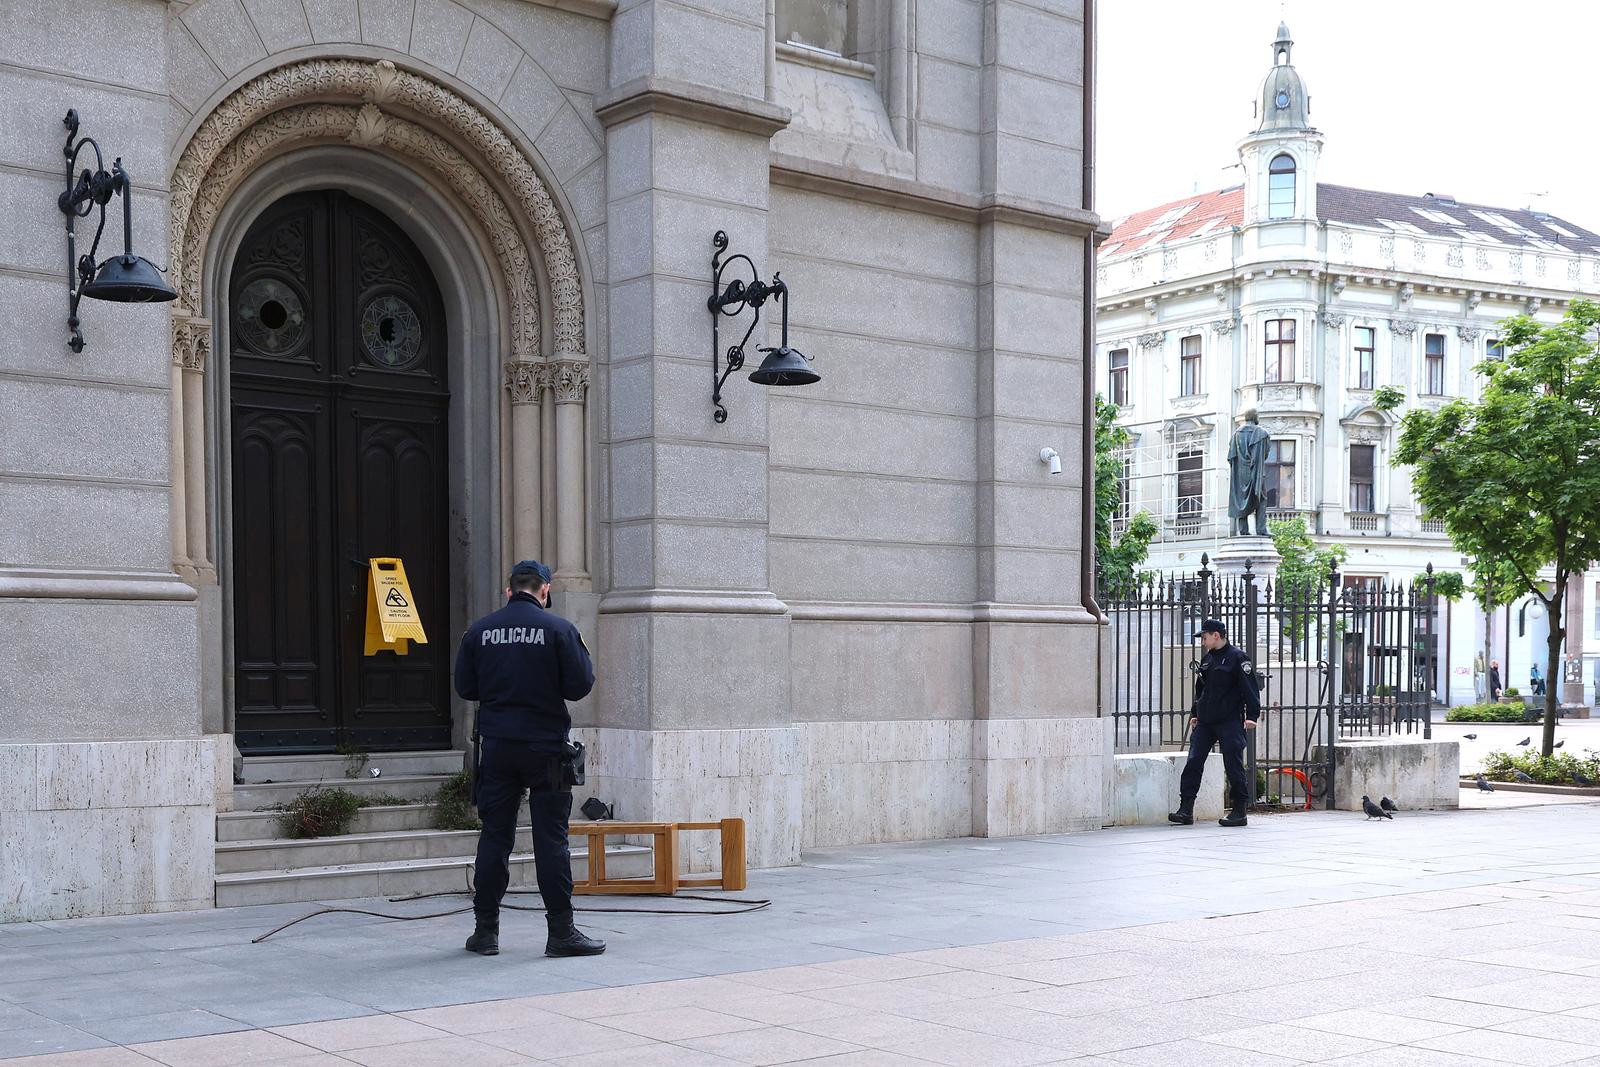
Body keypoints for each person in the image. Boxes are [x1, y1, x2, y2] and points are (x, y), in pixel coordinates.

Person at [454, 560, 605, 958]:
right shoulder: (559, 630)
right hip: (547, 749)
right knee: (551, 841)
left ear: (508, 591)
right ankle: (561, 933)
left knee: (495, 837)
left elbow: (466, 687)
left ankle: (485, 932)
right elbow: (579, 686)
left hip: (499, 748)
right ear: (544, 590)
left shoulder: (480, 631)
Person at [1170, 619, 1261, 828]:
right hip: (1206, 721)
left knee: (1233, 764)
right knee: (1193, 761)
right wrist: (1195, 713)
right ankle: (1186, 809)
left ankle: (1239, 810)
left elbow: (1250, 687)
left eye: (1204, 637)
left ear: (1216, 635)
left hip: (1229, 720)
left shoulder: (1237, 658)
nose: (1202, 641)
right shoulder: (1208, 659)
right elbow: (1201, 689)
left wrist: (1252, 716)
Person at [1227, 409, 1271, 537]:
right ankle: (1261, 529)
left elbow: (1231, 457)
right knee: (1261, 499)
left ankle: (1243, 530)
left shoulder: (1235, 435)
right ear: (1255, 417)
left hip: (1240, 473)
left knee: (1240, 500)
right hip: (1256, 472)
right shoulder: (1262, 433)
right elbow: (1265, 454)